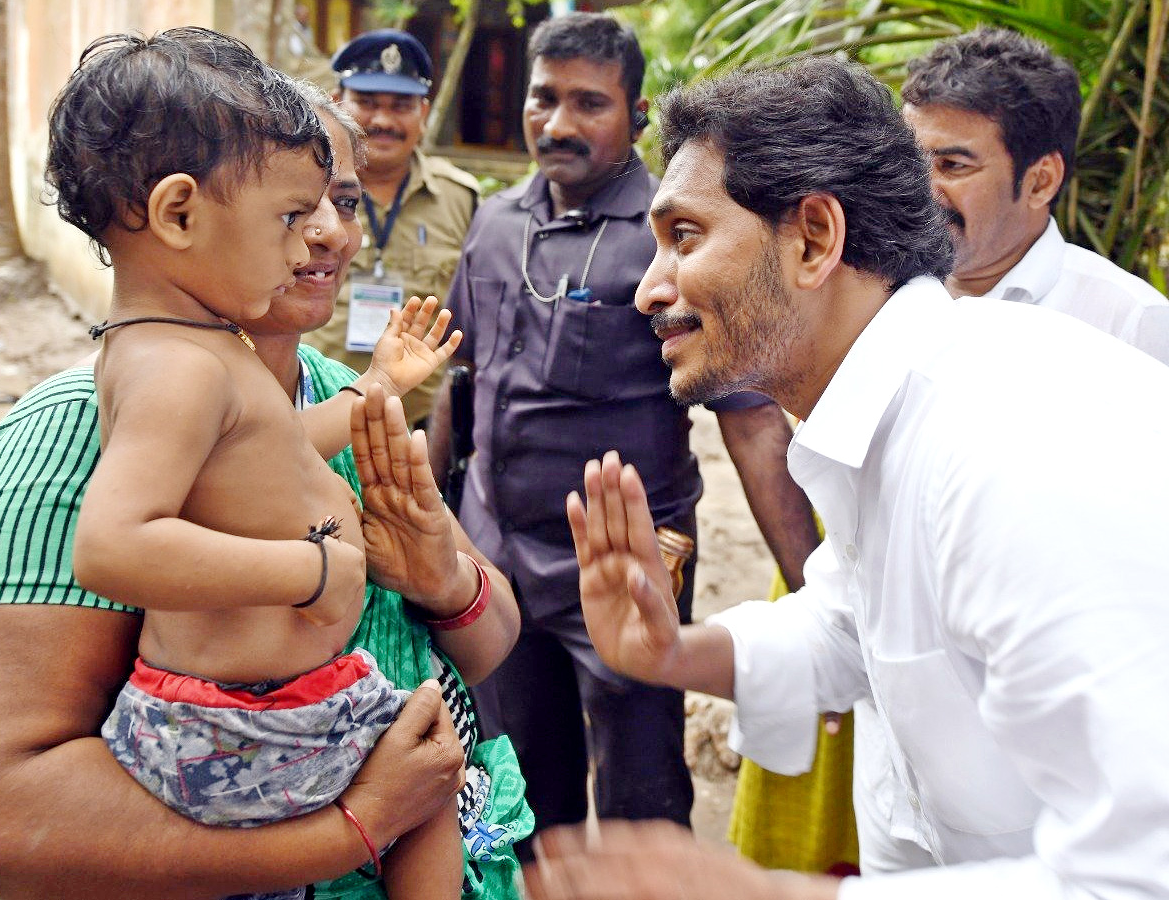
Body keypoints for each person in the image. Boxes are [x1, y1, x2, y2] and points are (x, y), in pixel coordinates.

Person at [531, 58, 1169, 899]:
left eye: (684, 236)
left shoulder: (1010, 443)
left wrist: (772, 894)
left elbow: (1141, 873)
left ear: (814, 239)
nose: (649, 289)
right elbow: (851, 630)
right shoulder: (886, 418)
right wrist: (671, 652)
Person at [0, 51, 530, 900]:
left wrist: (443, 581)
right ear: (182, 213)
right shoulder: (68, 439)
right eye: (295, 210)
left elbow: (489, 647)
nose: (330, 233)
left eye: (343, 202)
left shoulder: (343, 398)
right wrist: (353, 828)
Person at [426, 11, 815, 853]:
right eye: (543, 99)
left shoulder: (673, 237)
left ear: (636, 116)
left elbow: (751, 429)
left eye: (588, 104)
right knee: (522, 786)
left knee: (643, 798)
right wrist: (429, 524)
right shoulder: (495, 225)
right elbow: (461, 385)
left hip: (629, 565)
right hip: (500, 559)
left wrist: (818, 590)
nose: (558, 124)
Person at [902, 27, 1168, 360]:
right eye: (910, 158)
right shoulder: (878, 292)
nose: (920, 186)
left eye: (953, 165)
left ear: (1041, 181)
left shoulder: (1130, 323)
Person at [308, 28, 481, 428]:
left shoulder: (461, 199)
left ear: (423, 111)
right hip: (310, 415)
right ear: (337, 103)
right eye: (366, 103)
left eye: (401, 105)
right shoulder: (301, 192)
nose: (383, 120)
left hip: (418, 425)